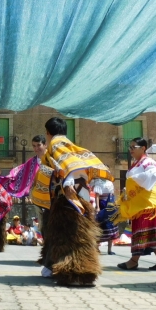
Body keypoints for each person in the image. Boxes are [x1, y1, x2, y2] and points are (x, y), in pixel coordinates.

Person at [33, 118, 111, 286]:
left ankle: (74, 271)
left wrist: (68, 184)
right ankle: (53, 266)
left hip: (67, 199)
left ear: (48, 132)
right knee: (72, 235)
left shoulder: (56, 144)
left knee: (68, 236)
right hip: (77, 197)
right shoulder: (71, 145)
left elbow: (68, 166)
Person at [116, 138, 156, 271]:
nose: (130, 150)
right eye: (129, 147)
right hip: (142, 204)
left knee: (143, 231)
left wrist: (134, 180)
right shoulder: (137, 163)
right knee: (149, 233)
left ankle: (133, 261)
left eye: (133, 147)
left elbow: (152, 177)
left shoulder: (149, 162)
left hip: (151, 204)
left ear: (143, 148)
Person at [93, 179, 118, 255]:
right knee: (100, 226)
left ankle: (109, 250)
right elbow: (97, 196)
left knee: (111, 226)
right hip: (102, 205)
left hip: (110, 205)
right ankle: (97, 248)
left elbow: (112, 194)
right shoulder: (98, 182)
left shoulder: (110, 182)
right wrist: (97, 207)